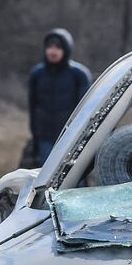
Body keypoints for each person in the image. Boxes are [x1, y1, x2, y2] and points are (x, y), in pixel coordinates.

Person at [27, 28, 92, 165]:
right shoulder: (37, 74)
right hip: (45, 135)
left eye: (58, 47)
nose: (53, 51)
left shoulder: (79, 75)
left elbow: (87, 109)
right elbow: (32, 106)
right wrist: (35, 134)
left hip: (72, 137)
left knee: (74, 179)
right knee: (45, 177)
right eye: (50, 46)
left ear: (66, 49)